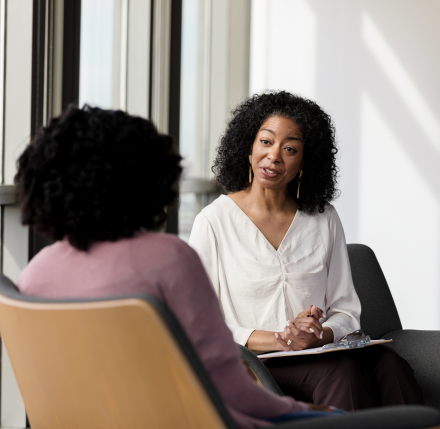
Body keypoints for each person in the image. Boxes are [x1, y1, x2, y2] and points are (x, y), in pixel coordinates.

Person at [14, 105, 336, 429]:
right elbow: (229, 387)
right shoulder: (169, 260)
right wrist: (314, 411)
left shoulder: (33, 277)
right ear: (147, 179)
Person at [189, 91, 425, 410]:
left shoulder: (322, 218)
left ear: (304, 161)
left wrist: (320, 335)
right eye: (266, 142)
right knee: (343, 371)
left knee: (387, 362)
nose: (274, 156)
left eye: (290, 149)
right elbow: (200, 324)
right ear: (248, 145)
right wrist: (280, 340)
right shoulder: (214, 222)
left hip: (318, 352)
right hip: (255, 363)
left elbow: (346, 311)